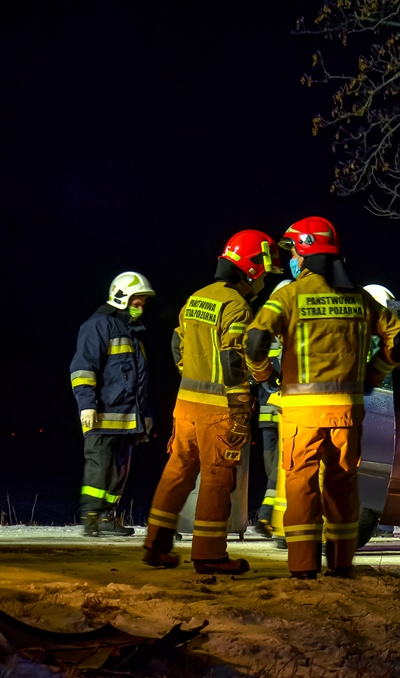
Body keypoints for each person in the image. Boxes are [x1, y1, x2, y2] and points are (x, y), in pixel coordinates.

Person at [246, 216, 400, 579]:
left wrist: (264, 375)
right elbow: (396, 338)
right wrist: (373, 375)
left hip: (302, 414)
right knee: (343, 484)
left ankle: (303, 566)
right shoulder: (360, 299)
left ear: (305, 251)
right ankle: (341, 562)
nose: (293, 260)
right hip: (348, 414)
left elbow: (254, 342)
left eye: (294, 253)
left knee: (300, 484)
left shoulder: (287, 296)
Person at [142, 230, 282, 574]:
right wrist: (239, 405)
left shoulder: (196, 298)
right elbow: (233, 360)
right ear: (250, 268)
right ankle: (209, 554)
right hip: (219, 410)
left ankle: (156, 544)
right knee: (218, 479)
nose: (263, 279)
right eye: (263, 271)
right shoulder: (236, 305)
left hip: (186, 406)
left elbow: (177, 345)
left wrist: (193, 373)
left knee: (177, 473)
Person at [70, 272, 156, 537]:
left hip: (127, 417)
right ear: (121, 298)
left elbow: (138, 381)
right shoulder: (98, 326)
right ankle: (91, 518)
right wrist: (87, 405)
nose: (140, 308)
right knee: (99, 467)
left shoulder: (132, 333)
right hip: (102, 414)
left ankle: (106, 517)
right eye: (136, 302)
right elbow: (83, 367)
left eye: (142, 304)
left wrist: (146, 415)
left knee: (119, 470)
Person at [252, 280, 290, 538]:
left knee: (280, 467)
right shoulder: (273, 332)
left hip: (283, 414)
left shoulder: (291, 331)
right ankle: (270, 516)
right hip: (271, 416)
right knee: (274, 468)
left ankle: (267, 516)